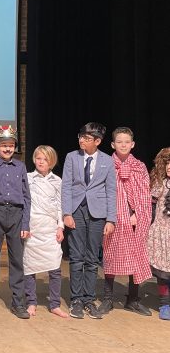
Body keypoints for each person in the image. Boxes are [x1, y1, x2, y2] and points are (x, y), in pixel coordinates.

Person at [62, 122, 117, 319]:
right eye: (80, 136)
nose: (81, 140)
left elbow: (111, 190)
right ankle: (76, 299)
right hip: (76, 210)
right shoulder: (71, 157)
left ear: (97, 141)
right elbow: (66, 186)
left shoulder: (107, 160)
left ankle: (88, 299)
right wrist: (66, 213)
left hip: (98, 212)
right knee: (76, 257)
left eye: (86, 137)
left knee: (92, 258)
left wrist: (111, 219)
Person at [99, 127, 152, 316]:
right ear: (113, 144)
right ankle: (107, 299)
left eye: (126, 142)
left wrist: (138, 213)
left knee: (136, 257)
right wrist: (109, 217)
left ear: (133, 144)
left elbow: (144, 193)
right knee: (111, 256)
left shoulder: (139, 166)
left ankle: (132, 299)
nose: (123, 145)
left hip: (135, 219)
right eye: (119, 141)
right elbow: (101, 193)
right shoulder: (106, 165)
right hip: (113, 218)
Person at [0, 125, 31, 319]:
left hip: (16, 215)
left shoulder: (21, 167)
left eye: (11, 145)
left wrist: (25, 224)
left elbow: (27, 197)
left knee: (17, 261)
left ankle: (18, 303)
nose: (8, 149)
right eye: (4, 145)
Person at [24, 145, 68, 318]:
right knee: (29, 267)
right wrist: (25, 227)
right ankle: (31, 302)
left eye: (45, 159)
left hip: (50, 229)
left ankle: (55, 304)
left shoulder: (57, 181)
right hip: (32, 228)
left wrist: (60, 227)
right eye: (38, 158)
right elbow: (25, 204)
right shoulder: (27, 178)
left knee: (55, 268)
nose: (41, 162)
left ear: (51, 162)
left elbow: (60, 206)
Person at [147, 147, 170, 320]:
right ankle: (164, 304)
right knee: (163, 274)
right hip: (162, 232)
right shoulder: (160, 184)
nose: (169, 167)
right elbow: (150, 199)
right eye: (167, 164)